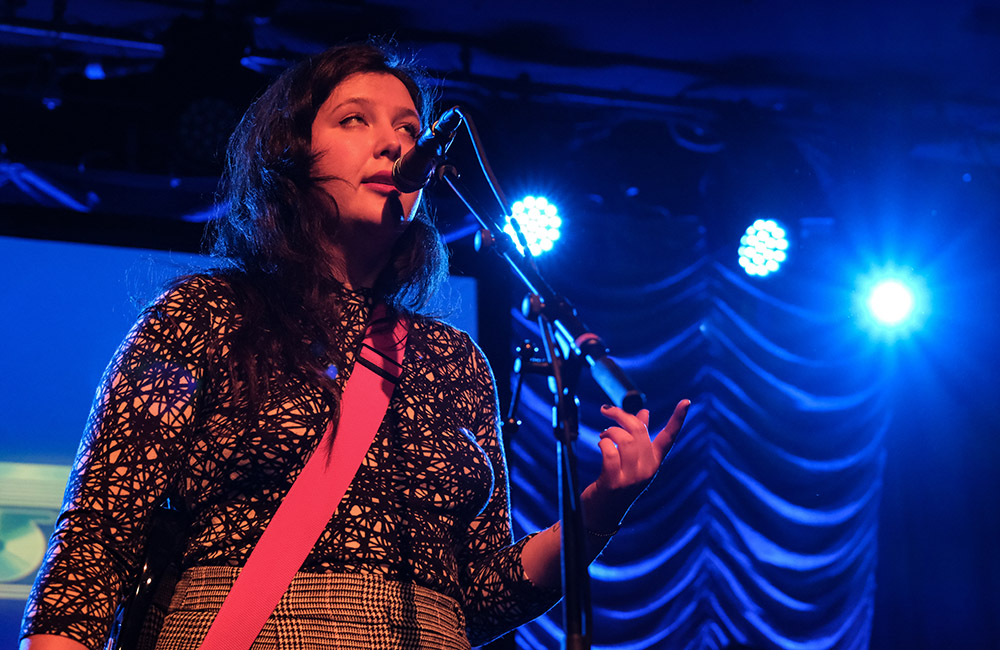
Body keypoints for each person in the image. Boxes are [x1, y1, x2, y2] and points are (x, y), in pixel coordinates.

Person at [19, 41, 691, 650]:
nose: (396, 145)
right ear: (291, 157)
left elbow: (478, 599)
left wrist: (604, 505)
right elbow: (93, 547)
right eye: (354, 121)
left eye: (408, 128)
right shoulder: (206, 315)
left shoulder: (455, 362)